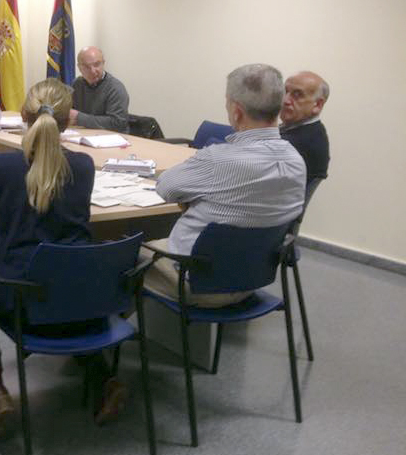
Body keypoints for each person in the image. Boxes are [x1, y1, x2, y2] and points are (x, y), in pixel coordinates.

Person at [0, 79, 124, 448]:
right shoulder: (84, 166)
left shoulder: (3, 166)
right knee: (69, 292)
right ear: (68, 121)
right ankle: (104, 381)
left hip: (20, 302)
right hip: (77, 300)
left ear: (24, 115)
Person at [146, 64, 306, 307]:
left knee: (125, 257)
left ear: (237, 112)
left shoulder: (217, 159)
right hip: (252, 278)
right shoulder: (296, 161)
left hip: (197, 283)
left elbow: (165, 188)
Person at [280, 70, 330, 184]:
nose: (285, 100)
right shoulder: (297, 128)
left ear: (317, 105)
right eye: (285, 92)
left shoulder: (304, 141)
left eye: (297, 95)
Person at [68, 47, 129, 133]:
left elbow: (117, 124)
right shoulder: (77, 84)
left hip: (112, 137)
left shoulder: (115, 88)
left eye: (97, 64)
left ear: (103, 63)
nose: (93, 71)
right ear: (79, 68)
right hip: (84, 134)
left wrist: (79, 118)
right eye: (86, 66)